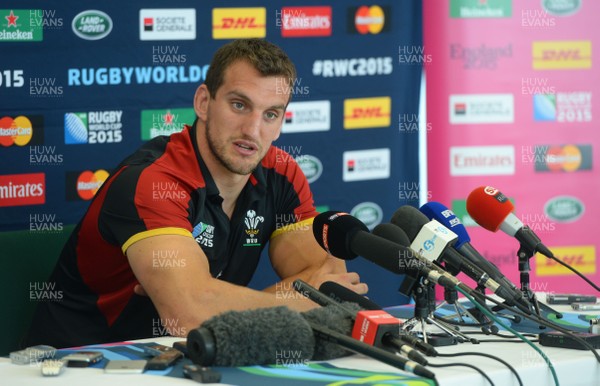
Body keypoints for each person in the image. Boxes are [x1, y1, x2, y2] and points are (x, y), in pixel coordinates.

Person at [24, 39, 367, 348]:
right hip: (86, 362)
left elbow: (332, 283)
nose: (252, 130)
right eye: (239, 105)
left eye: (270, 114)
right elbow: (187, 316)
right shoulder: (154, 181)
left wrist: (208, 297)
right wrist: (296, 297)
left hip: (194, 358)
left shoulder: (283, 174)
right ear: (204, 102)